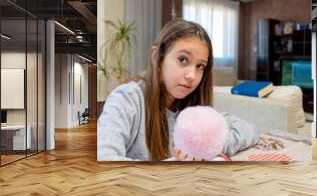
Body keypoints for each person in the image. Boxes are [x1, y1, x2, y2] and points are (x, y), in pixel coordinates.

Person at [98, 19, 259, 161]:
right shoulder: (126, 99)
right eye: (183, 59)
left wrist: (206, 146)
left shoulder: (193, 109)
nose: (192, 75)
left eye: (200, 66)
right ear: (157, 57)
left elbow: (249, 130)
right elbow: (105, 159)